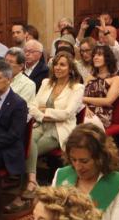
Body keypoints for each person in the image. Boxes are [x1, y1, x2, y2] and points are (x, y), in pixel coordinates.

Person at [12, 53, 85, 211]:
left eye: (63, 65)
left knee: (29, 149)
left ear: (71, 68)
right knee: (27, 144)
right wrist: (45, 115)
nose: (58, 68)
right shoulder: (46, 82)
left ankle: (25, 190)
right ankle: (32, 181)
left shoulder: (77, 88)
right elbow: (32, 106)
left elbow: (68, 113)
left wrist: (44, 111)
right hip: (40, 124)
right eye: (56, 64)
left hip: (59, 130)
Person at [82, 44, 119, 130]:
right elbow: (79, 95)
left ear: (107, 58)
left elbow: (108, 101)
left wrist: (84, 99)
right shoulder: (90, 77)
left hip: (102, 114)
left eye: (99, 55)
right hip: (85, 110)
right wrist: (84, 107)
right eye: (94, 55)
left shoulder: (116, 79)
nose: (95, 57)